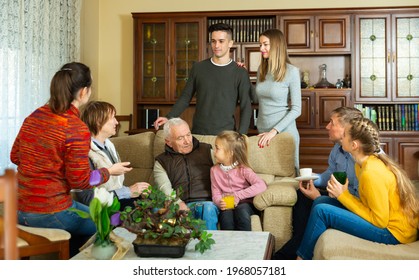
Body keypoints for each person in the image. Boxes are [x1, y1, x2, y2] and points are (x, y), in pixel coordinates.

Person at [10, 62, 131, 256]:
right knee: (111, 223)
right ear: (83, 92)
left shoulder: (35, 116)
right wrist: (108, 172)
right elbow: (81, 181)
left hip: (20, 209)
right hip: (51, 212)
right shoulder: (75, 127)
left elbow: (15, 156)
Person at [296, 117, 419, 260]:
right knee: (321, 201)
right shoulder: (361, 164)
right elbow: (367, 205)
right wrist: (342, 194)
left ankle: (300, 261)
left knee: (321, 211)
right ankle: (308, 253)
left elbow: (380, 221)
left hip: (393, 233)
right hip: (384, 222)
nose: (342, 137)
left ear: (354, 145)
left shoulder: (370, 172)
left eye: (345, 135)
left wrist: (343, 195)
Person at [273, 106, 363, 260]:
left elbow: (360, 201)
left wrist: (318, 197)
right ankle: (299, 239)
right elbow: (330, 174)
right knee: (301, 195)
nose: (327, 126)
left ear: (346, 128)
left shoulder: (362, 156)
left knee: (319, 202)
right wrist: (312, 178)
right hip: (340, 197)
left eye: (332, 123)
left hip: (355, 205)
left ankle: (282, 256)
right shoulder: (337, 148)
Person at [153, 23, 252, 135]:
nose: (216, 45)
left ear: (230, 43)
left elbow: (246, 106)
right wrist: (169, 117)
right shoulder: (198, 68)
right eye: (213, 41)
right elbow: (186, 97)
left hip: (226, 136)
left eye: (221, 41)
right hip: (199, 133)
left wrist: (242, 135)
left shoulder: (240, 72)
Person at [77, 101, 150, 210]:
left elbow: (115, 186)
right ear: (98, 121)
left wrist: (136, 191)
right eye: (112, 118)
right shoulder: (84, 153)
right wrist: (128, 191)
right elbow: (87, 198)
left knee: (152, 205)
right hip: (101, 209)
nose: (117, 122)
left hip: (115, 202)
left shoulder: (109, 147)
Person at [153, 117, 219, 230]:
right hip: (178, 204)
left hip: (204, 203)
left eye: (188, 135)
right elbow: (165, 189)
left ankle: (209, 247)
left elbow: (229, 166)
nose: (187, 141)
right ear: (168, 142)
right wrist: (178, 203)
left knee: (208, 208)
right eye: (180, 138)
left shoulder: (207, 150)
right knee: (155, 211)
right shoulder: (162, 161)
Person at [253, 29, 301, 171]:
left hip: (284, 132)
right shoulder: (261, 70)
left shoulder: (291, 72)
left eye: (265, 44)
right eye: (260, 45)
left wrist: (274, 131)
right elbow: (257, 98)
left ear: (276, 45)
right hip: (262, 131)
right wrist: (241, 74)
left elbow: (297, 109)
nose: (261, 48)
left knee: (290, 175)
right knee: (266, 174)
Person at [210, 131, 267, 231]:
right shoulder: (214, 171)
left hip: (245, 204)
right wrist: (220, 203)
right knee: (226, 216)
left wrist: (238, 196)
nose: (214, 151)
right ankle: (229, 245)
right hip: (227, 205)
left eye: (217, 148)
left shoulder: (243, 169)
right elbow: (215, 194)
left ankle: (244, 244)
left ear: (231, 153)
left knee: (241, 210)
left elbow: (261, 185)